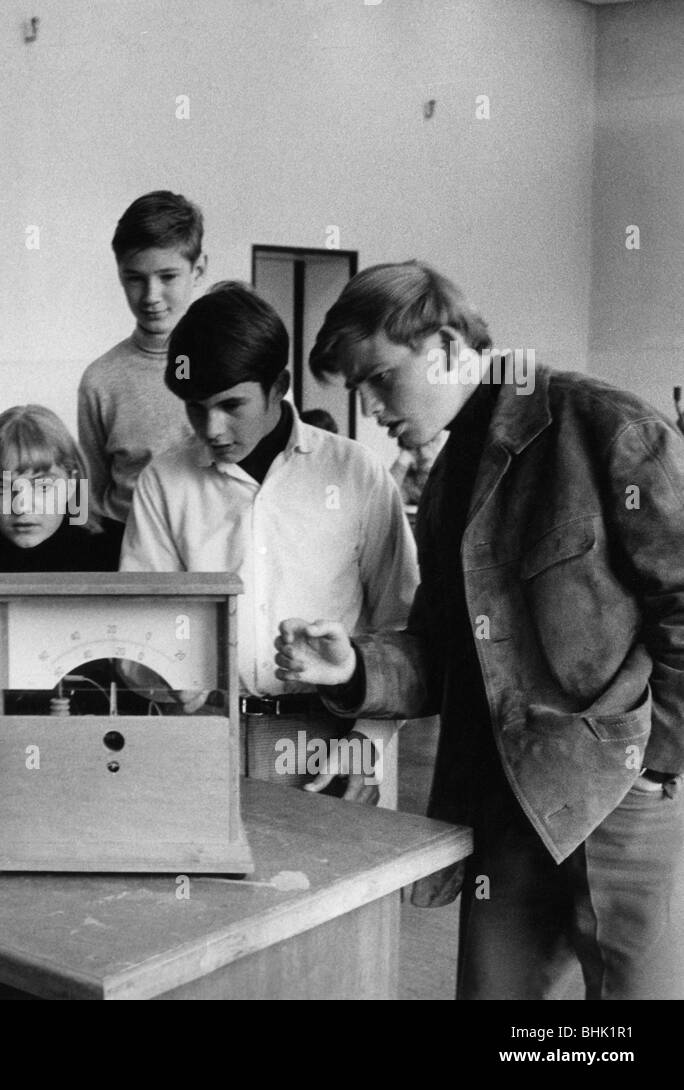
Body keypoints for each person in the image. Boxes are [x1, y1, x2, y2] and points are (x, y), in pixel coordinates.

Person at [276, 259, 684, 999]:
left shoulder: (604, 426)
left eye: (377, 379)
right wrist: (355, 669)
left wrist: (660, 760)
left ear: (442, 346)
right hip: (503, 799)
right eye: (356, 391)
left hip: (622, 796)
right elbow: (445, 652)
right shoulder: (444, 484)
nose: (370, 409)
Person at [120, 281, 417, 804]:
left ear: (278, 385)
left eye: (231, 405)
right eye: (195, 407)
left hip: (333, 742)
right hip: (205, 739)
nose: (211, 428)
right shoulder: (164, 482)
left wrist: (369, 741)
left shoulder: (356, 474)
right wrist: (159, 674)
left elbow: (404, 622)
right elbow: (138, 621)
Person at [0, 405, 117, 748]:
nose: (22, 507)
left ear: (72, 482)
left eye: (42, 487)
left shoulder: (113, 551)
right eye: (4, 488)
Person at [78, 190, 207, 560]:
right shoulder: (100, 380)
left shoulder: (239, 365)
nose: (151, 295)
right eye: (135, 278)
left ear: (198, 270)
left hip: (213, 549)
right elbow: (96, 491)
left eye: (168, 276)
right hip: (125, 550)